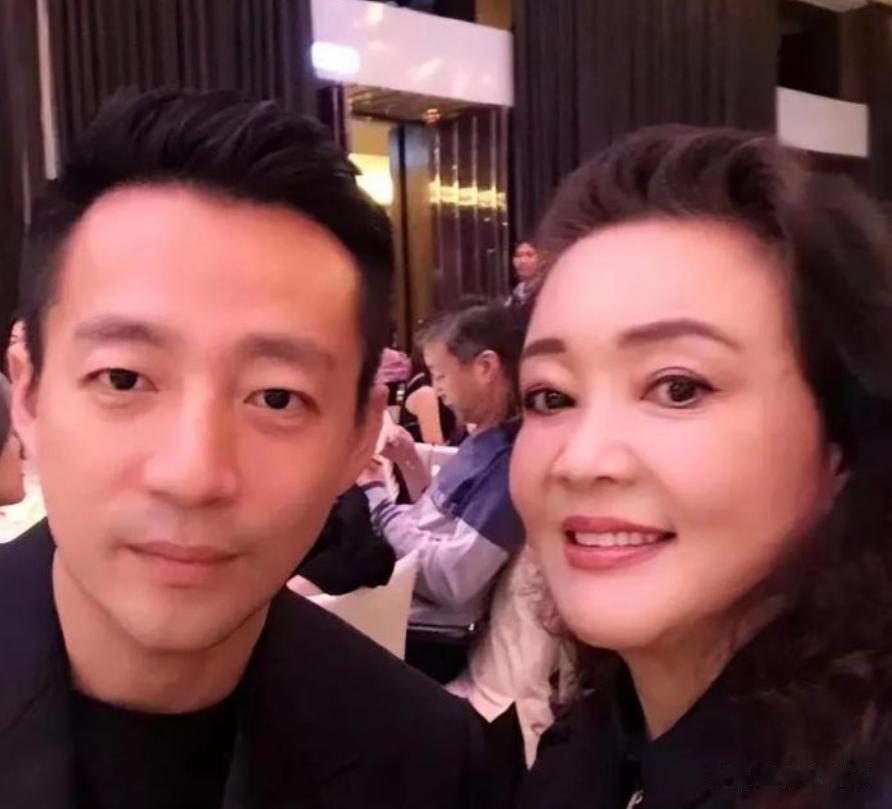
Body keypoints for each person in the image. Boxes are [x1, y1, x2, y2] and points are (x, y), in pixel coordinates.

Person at [0, 88, 486, 809]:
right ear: (29, 393)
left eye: (277, 397)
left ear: (361, 437)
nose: (192, 474)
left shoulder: (434, 764)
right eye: (124, 378)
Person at [512, 125, 892, 808]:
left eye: (678, 388)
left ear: (840, 440)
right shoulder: (587, 751)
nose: (582, 458)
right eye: (551, 397)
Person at [360, 300, 525, 682]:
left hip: (422, 633)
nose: (435, 389)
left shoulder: (507, 466)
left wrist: (376, 498)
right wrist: (408, 461)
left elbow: (453, 580)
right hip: (399, 594)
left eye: (440, 375)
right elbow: (436, 521)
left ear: (485, 368)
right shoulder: (483, 441)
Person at [507, 241, 540, 307]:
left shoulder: (546, 289)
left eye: (529, 255)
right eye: (518, 255)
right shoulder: (517, 291)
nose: (522, 261)